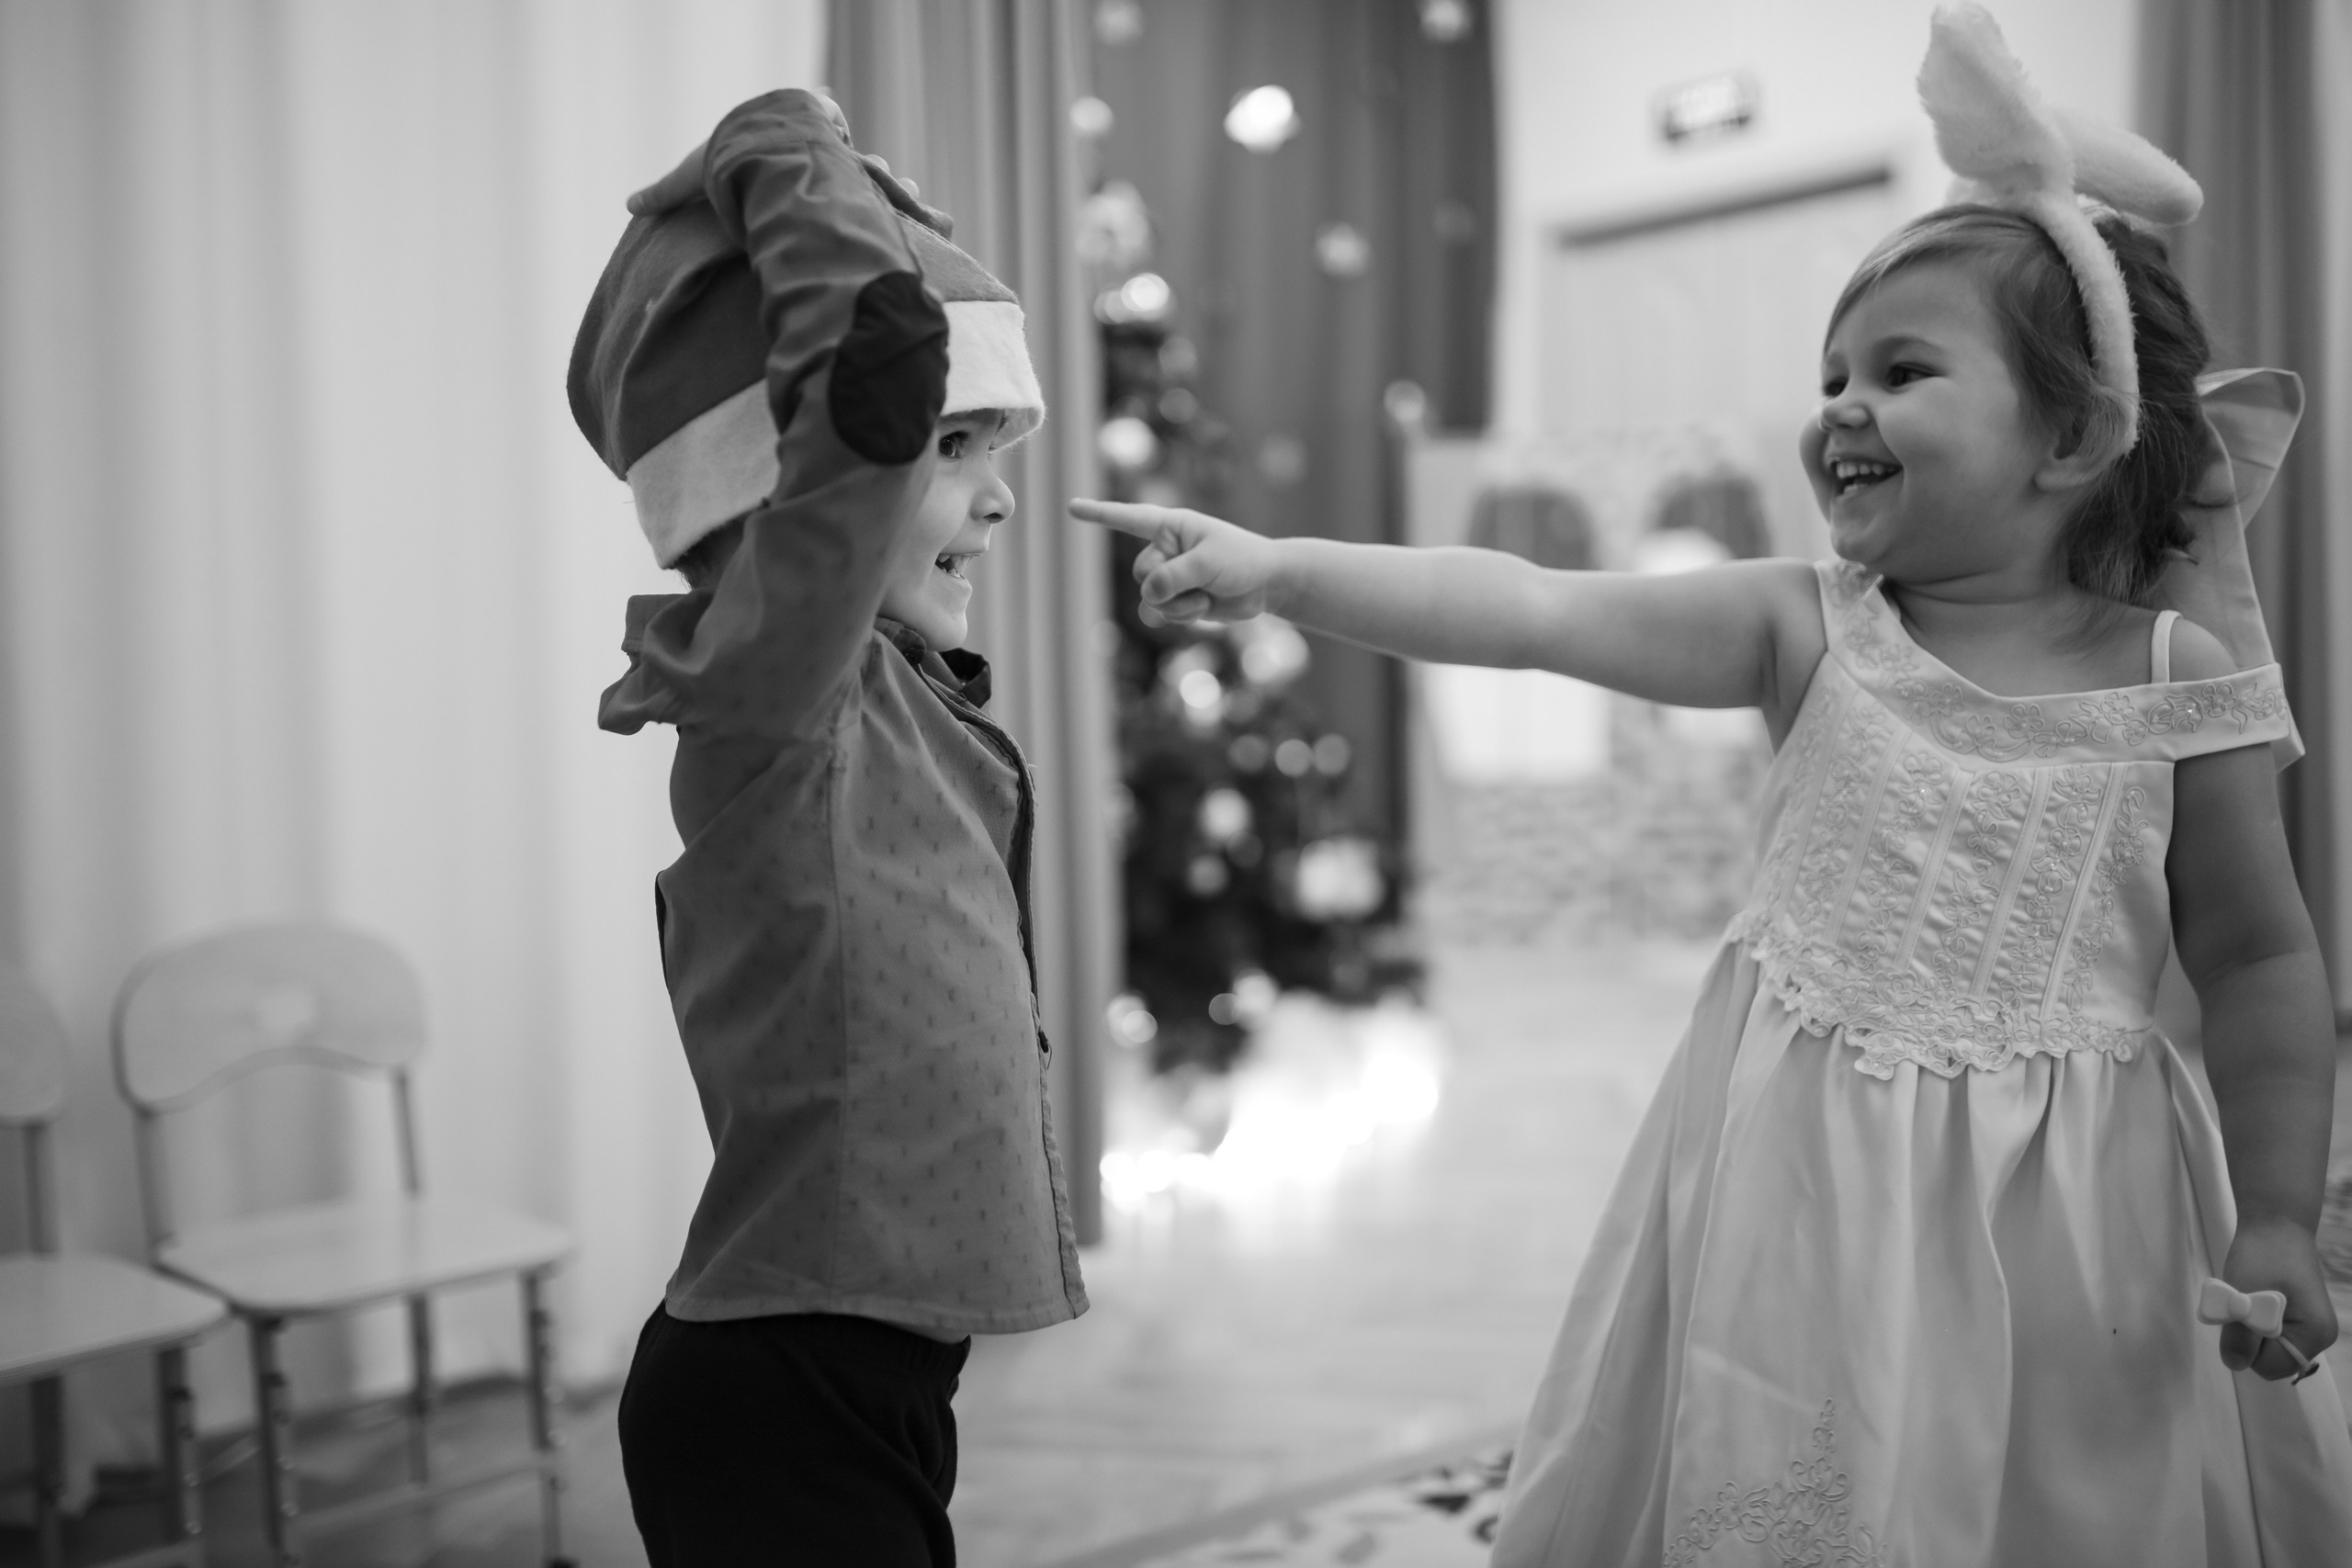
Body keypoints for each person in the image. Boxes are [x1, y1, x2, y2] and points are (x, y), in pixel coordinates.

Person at [1073, 8, 2352, 1562]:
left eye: (1902, 370)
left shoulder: (2176, 676)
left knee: (2053, 1494)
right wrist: (1283, 570)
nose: (1840, 406)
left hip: (2078, 1213)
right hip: (1801, 1190)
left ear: (2075, 435)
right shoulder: (1805, 626)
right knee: (1797, 1477)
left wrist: (2276, 1210)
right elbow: (1528, 608)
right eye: (1834, 372)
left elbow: (2261, 955)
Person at [569, 89, 1086, 1566]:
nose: (998, 500)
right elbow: (871, 378)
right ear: (783, 482)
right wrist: (787, 145)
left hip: (876, 1378)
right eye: (957, 447)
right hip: (777, 1393)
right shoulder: (777, 691)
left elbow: (874, 385)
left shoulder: (879, 697)